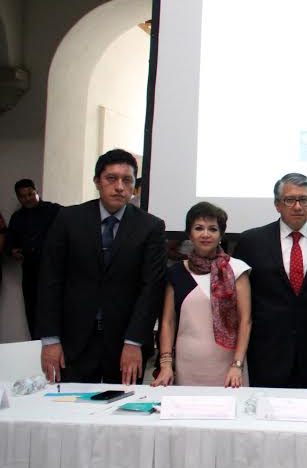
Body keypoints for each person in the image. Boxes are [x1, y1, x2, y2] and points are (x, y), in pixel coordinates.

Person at [37, 149, 167, 384]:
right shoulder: (68, 219)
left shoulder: (150, 227)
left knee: (124, 405)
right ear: (97, 181)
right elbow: (50, 279)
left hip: (126, 343)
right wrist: (50, 339)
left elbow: (151, 288)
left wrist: (134, 341)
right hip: (73, 340)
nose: (119, 187)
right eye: (111, 178)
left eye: (127, 180)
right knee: (70, 404)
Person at [234, 173, 307, 388]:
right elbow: (241, 302)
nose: (297, 206)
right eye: (290, 200)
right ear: (277, 204)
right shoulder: (251, 242)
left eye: (304, 200)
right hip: (267, 352)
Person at [152, 202, 251, 387]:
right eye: (199, 228)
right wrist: (165, 365)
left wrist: (237, 365)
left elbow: (245, 321)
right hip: (187, 365)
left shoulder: (237, 270)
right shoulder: (176, 272)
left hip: (229, 368)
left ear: (221, 235)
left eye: (212, 229)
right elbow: (168, 322)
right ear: (189, 234)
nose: (206, 234)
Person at [5, 179, 62, 339]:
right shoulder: (17, 217)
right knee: (33, 310)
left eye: (30, 194)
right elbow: (9, 243)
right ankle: (35, 344)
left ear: (37, 192)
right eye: (23, 196)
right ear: (18, 198)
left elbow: (71, 231)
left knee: (55, 307)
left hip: (54, 269)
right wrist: (13, 251)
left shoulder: (54, 210)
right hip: (31, 270)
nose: (28, 199)